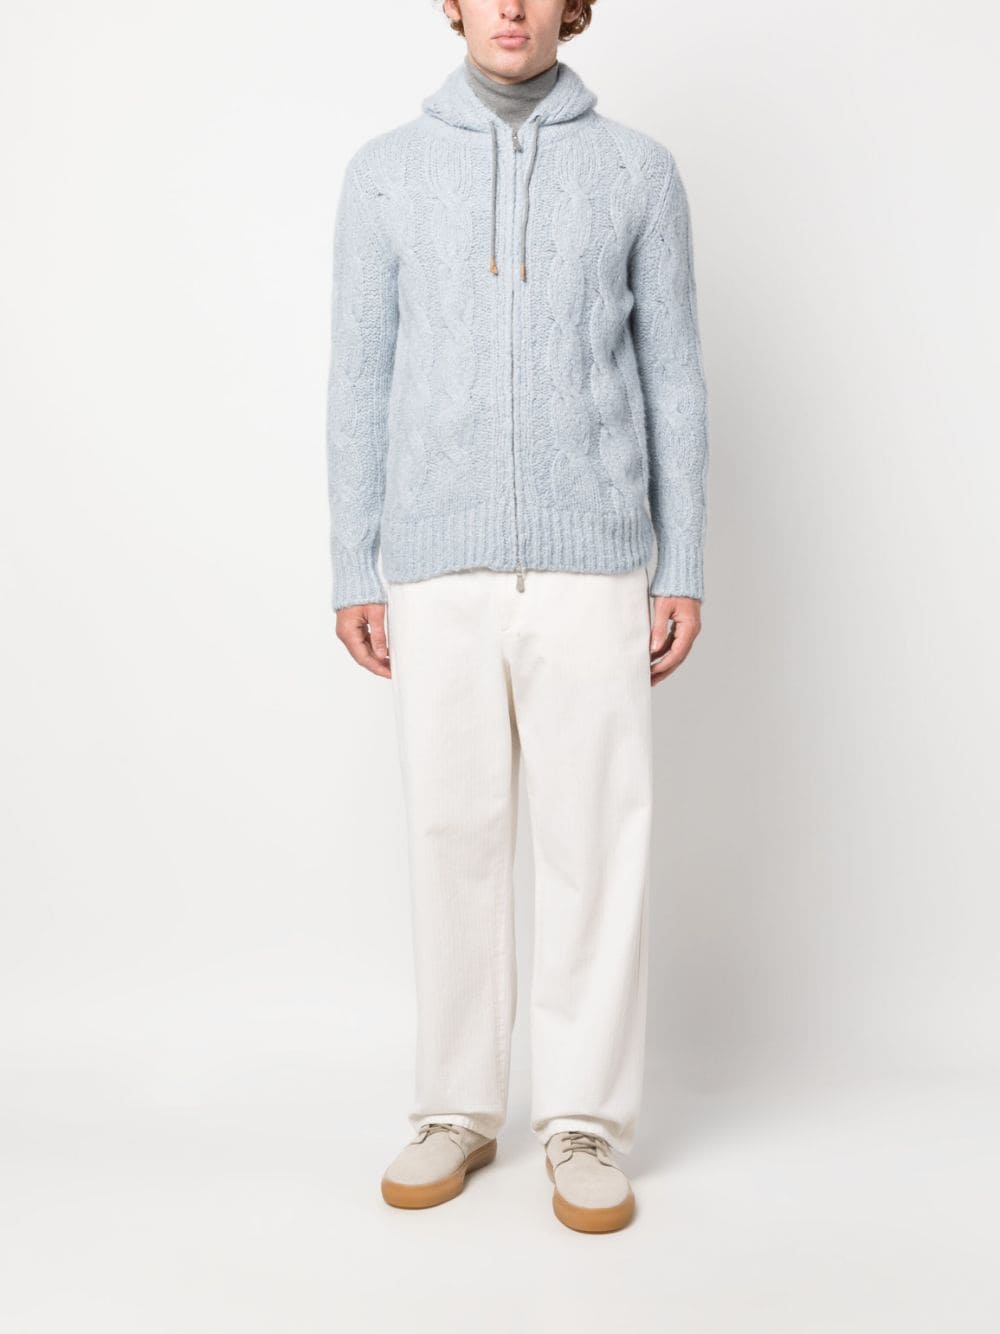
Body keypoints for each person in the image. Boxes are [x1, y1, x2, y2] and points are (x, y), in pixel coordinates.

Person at [325, 0, 709, 1234]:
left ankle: (585, 1120)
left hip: (594, 561)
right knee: (452, 833)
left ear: (570, 9)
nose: (509, 7)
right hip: (436, 562)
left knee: (595, 842)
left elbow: (674, 377)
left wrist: (683, 561)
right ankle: (456, 1105)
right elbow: (359, 376)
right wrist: (351, 563)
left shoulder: (638, 172)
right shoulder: (385, 174)